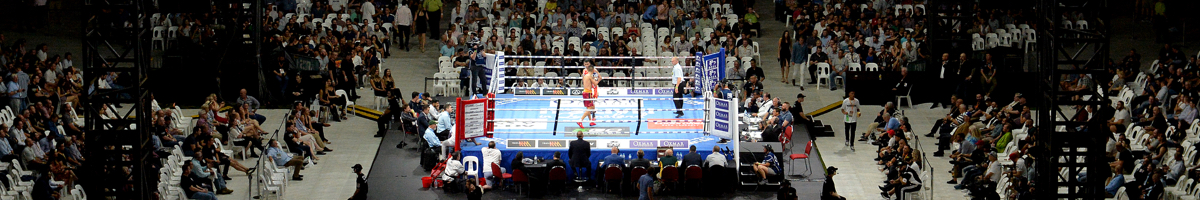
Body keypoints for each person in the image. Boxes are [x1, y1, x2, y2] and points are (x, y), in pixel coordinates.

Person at [579, 62, 601, 128]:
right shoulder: (587, 74)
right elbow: (595, 83)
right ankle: (580, 120)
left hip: (588, 90)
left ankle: (591, 121)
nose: (586, 66)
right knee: (590, 107)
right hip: (588, 91)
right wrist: (598, 80)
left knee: (590, 107)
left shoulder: (590, 73)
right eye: (585, 64)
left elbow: (598, 77)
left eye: (587, 64)